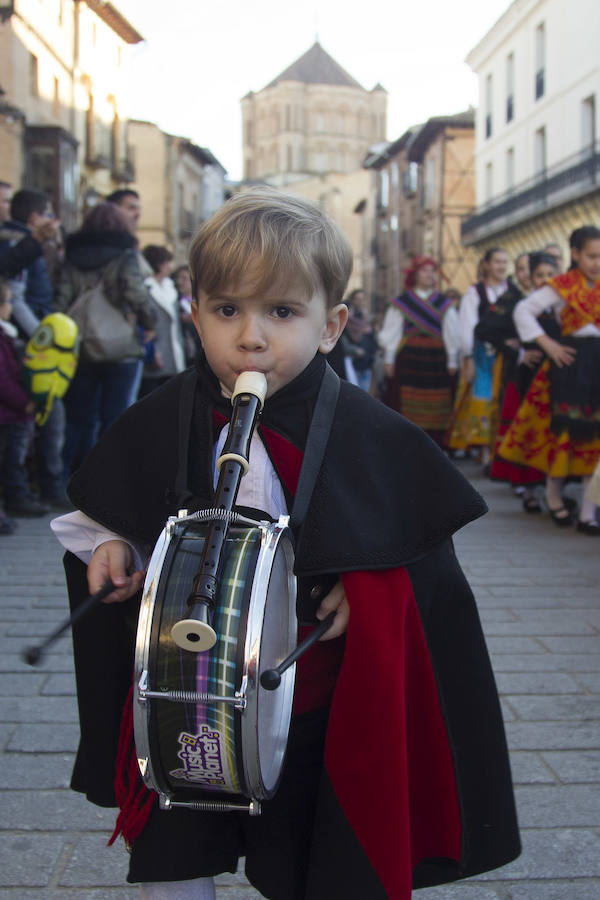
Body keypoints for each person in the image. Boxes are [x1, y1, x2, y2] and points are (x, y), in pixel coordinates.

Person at [51, 189, 519, 899]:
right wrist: (113, 543)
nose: (251, 338)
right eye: (227, 310)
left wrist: (367, 592)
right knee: (174, 854)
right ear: (195, 311)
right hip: (189, 692)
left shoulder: (370, 432)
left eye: (282, 312)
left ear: (330, 326)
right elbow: (113, 504)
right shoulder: (165, 413)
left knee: (313, 858)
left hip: (311, 700)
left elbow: (420, 564)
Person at [498, 226, 600, 534]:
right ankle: (554, 496)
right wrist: (548, 344)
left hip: (597, 361)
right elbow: (524, 311)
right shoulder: (562, 285)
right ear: (577, 254)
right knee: (567, 433)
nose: (597, 262)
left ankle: (587, 511)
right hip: (572, 362)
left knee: (595, 439)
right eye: (592, 256)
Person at [54, 202, 156, 476]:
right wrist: (150, 324)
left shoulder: (72, 255)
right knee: (116, 416)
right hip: (120, 347)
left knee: (78, 417)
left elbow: (60, 301)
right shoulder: (125, 254)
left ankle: (67, 476)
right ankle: (106, 479)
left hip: (79, 347)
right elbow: (137, 294)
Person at [0, 189, 66, 510]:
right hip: (32, 340)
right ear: (35, 216)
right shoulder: (16, 242)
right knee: (43, 414)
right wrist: (42, 336)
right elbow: (16, 294)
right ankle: (36, 489)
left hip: (31, 334)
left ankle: (33, 487)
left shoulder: (24, 242)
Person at [479, 252, 559, 510]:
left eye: (550, 275)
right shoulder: (514, 299)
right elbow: (485, 329)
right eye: (538, 275)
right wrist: (518, 351)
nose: (545, 280)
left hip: (555, 376)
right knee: (526, 428)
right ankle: (527, 489)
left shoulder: (560, 301)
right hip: (525, 374)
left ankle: (550, 488)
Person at [379, 256, 455, 446]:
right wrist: (389, 359)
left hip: (436, 359)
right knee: (406, 399)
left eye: (432, 271)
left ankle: (436, 443)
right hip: (409, 358)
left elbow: (452, 333)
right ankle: (408, 441)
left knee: (437, 400)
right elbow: (392, 333)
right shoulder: (402, 303)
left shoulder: (444, 303)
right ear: (415, 275)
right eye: (425, 270)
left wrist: (453, 359)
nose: (429, 274)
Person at [448, 247, 509, 468]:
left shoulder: (510, 291)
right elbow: (467, 327)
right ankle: (484, 451)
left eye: (504, 262)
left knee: (502, 397)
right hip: (482, 353)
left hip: (504, 353)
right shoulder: (475, 293)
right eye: (497, 262)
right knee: (483, 398)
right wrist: (467, 357)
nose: (501, 266)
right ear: (486, 264)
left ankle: (498, 450)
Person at [0, 278, 40, 529]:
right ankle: (13, 501)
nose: (11, 307)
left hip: (12, 414)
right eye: (9, 301)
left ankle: (16, 499)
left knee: (13, 460)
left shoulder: (6, 335)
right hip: (9, 414)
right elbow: (3, 379)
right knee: (10, 461)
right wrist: (23, 402)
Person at [139, 246, 186, 397]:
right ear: (160, 264)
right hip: (154, 353)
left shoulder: (171, 288)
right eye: (168, 262)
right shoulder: (145, 288)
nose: (170, 266)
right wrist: (152, 349)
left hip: (173, 352)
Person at [339, 288, 378, 392]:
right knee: (353, 392)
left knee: (364, 393)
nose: (360, 302)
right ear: (352, 300)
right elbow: (343, 340)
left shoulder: (366, 316)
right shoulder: (346, 318)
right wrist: (354, 351)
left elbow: (371, 338)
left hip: (367, 362)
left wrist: (374, 351)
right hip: (352, 361)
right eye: (357, 299)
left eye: (362, 299)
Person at [173, 264, 202, 365]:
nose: (179, 282)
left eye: (184, 278)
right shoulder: (174, 302)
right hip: (186, 351)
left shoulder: (201, 301)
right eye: (178, 278)